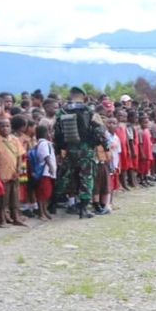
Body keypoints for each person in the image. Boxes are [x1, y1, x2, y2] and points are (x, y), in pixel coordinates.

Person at [54, 87, 104, 219]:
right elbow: (99, 132)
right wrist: (104, 145)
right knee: (86, 178)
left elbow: (57, 133)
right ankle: (83, 209)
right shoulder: (89, 111)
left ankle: (53, 204)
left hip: (70, 149)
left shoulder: (62, 111)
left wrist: (59, 149)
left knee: (65, 176)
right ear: (84, 97)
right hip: (86, 149)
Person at [0, 117, 26, 227]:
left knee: (15, 196)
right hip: (2, 173)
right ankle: (2, 219)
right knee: (3, 198)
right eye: (2, 126)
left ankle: (16, 217)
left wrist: (18, 169)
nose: (5, 128)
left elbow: (20, 156)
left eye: (7, 126)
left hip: (14, 172)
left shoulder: (15, 140)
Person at [33, 123, 56, 221]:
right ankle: (41, 212)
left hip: (49, 172)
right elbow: (46, 156)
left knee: (47, 193)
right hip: (45, 172)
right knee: (43, 193)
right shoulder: (43, 144)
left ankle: (44, 210)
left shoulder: (47, 143)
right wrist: (51, 166)